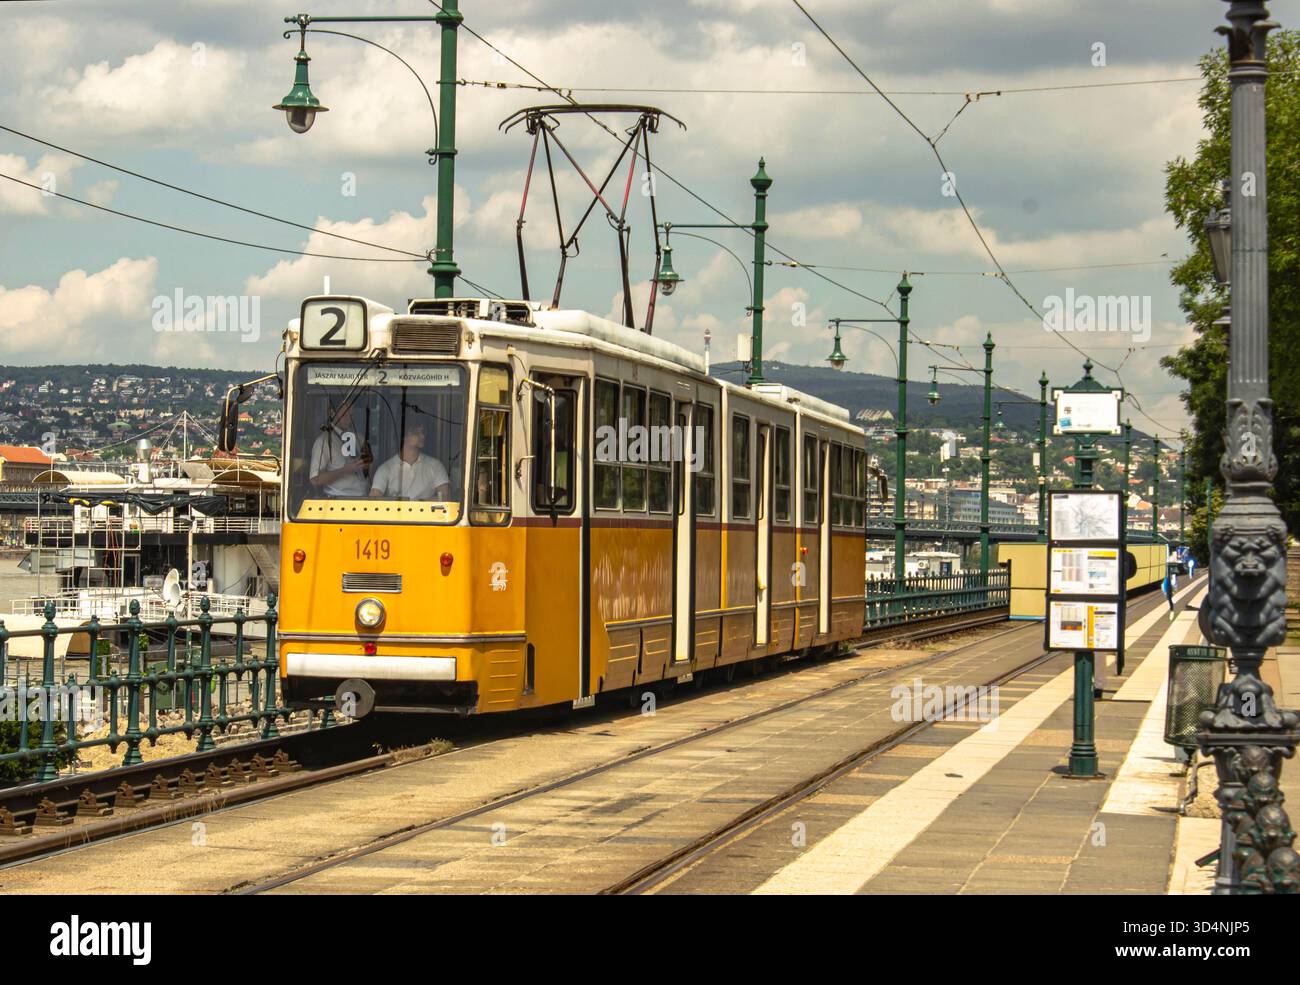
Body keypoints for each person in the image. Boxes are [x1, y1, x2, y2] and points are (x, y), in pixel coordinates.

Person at [370, 420, 451, 500]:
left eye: (423, 432)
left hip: (425, 513)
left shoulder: (435, 466)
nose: (422, 436)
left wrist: (420, 504)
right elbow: (373, 499)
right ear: (403, 436)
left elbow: (444, 497)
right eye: (416, 433)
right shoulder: (386, 468)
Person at [309, 397, 371, 497]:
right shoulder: (323, 441)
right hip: (338, 500)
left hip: (364, 498)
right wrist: (345, 470)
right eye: (345, 415)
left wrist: (368, 465)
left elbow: (371, 468)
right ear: (331, 412)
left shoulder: (359, 438)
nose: (349, 419)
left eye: (351, 415)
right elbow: (315, 479)